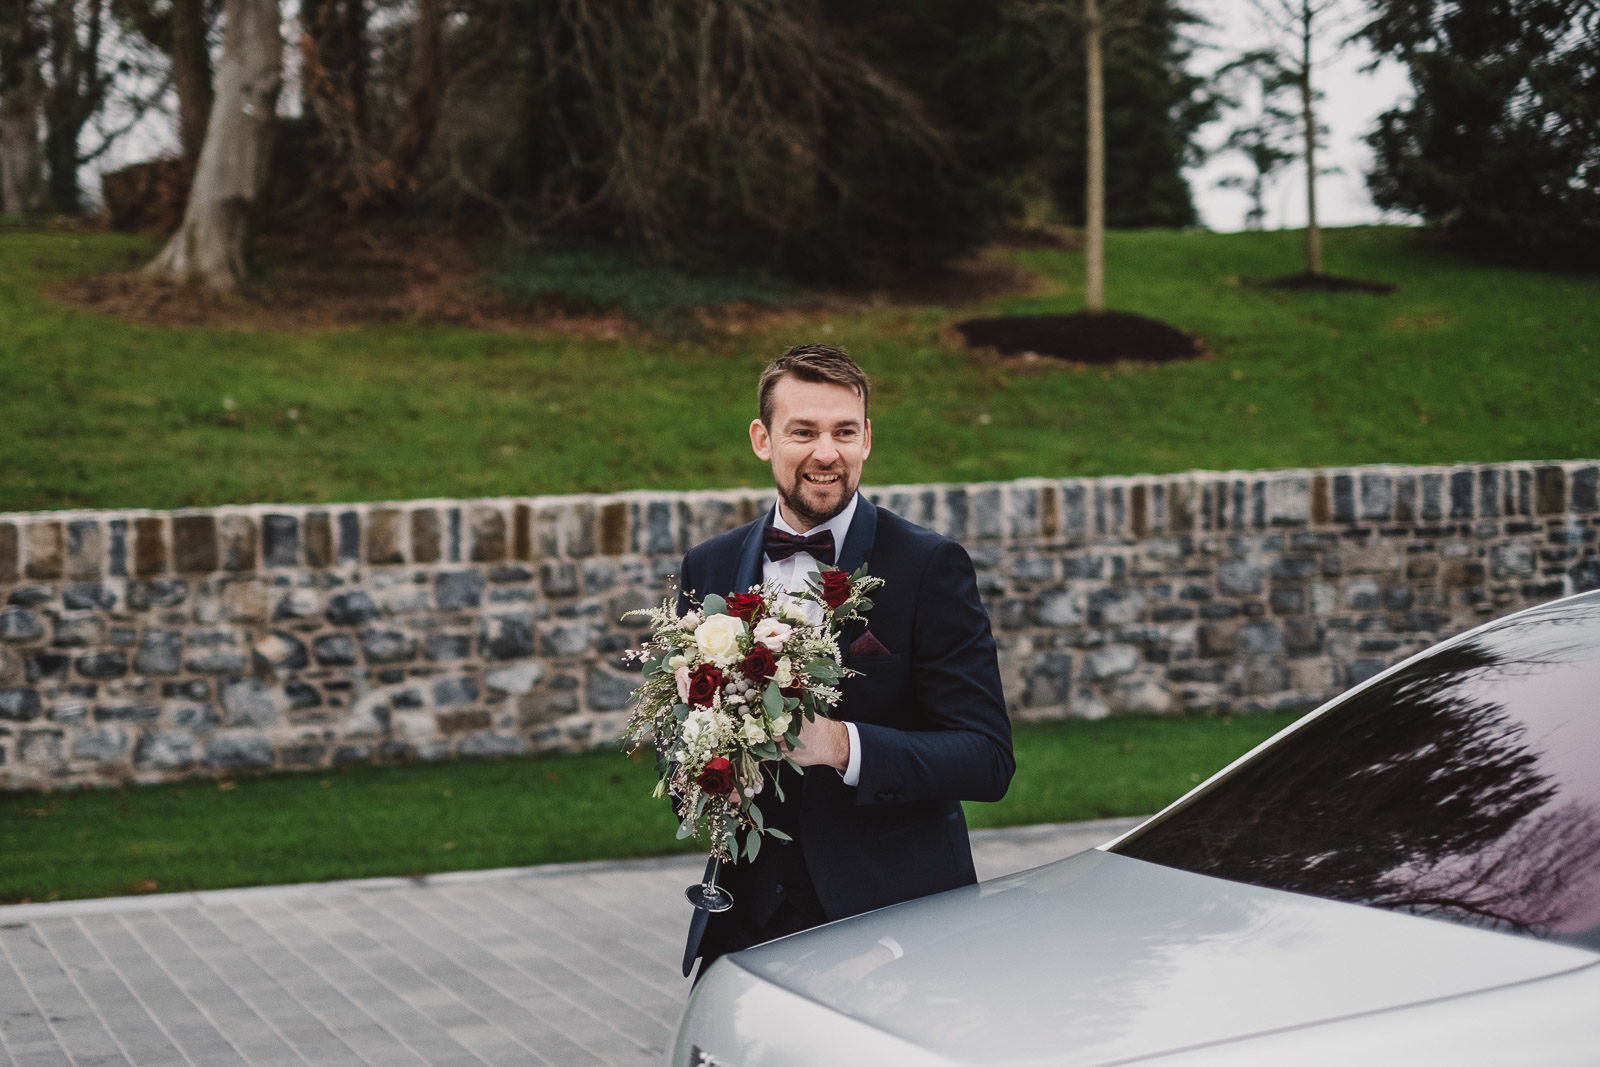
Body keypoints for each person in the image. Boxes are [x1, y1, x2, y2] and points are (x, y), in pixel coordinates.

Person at [677, 342, 1014, 979]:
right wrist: (705, 764)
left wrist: (840, 744)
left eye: (843, 431)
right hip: (746, 922)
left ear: (866, 441)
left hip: (893, 932)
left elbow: (987, 759)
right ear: (762, 438)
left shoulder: (928, 566)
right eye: (802, 431)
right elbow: (683, 735)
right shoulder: (709, 566)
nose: (825, 453)